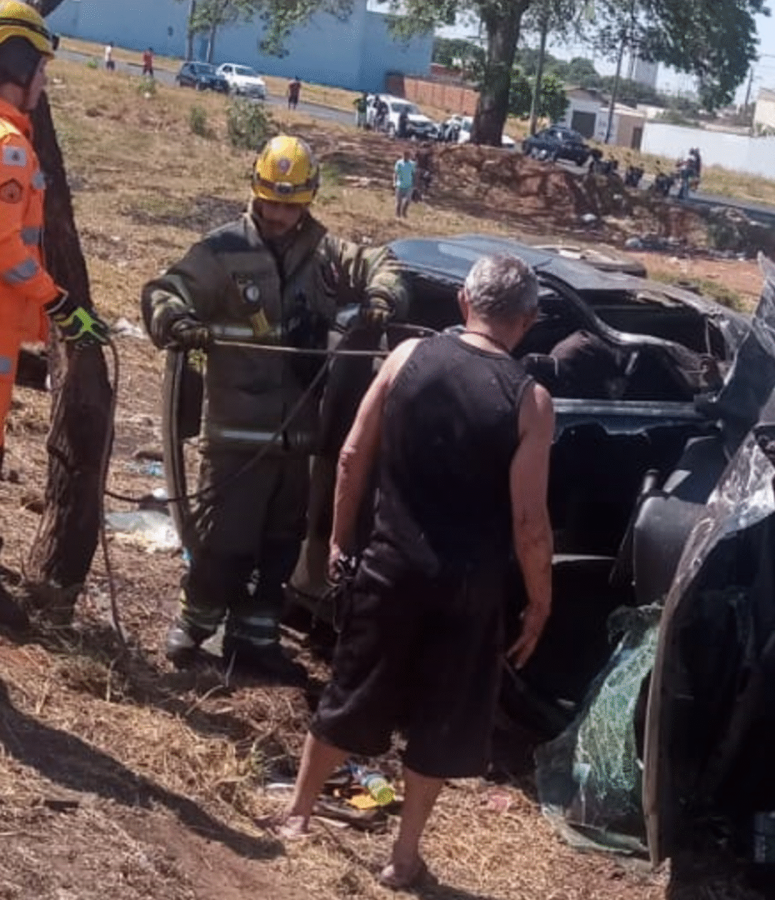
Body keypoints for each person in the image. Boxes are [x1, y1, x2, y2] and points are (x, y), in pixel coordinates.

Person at [266, 253, 554, 890]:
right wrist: (539, 600)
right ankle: (402, 858)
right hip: (469, 588)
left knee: (350, 688)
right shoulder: (531, 402)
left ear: (462, 304)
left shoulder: (403, 360)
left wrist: (342, 545)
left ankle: (297, 817)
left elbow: (348, 458)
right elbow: (530, 520)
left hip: (390, 567)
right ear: (527, 322)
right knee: (442, 718)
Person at [141, 135, 408, 684]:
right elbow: (164, 291)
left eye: (291, 204)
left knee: (279, 543)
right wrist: (176, 323)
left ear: (308, 199)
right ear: (255, 192)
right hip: (237, 435)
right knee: (223, 542)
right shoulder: (221, 251)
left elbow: (382, 263)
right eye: (270, 201)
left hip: (298, 441)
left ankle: (253, 641)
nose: (280, 214)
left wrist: (383, 297)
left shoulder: (325, 254)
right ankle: (192, 629)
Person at [0, 2, 109, 611]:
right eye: (40, 68)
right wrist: (61, 303)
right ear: (17, 67)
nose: (44, 82)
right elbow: (7, 249)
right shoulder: (11, 147)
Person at [393, 147, 415, 219]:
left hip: (409, 185)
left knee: (407, 201)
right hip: (400, 184)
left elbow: (414, 174)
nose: (407, 157)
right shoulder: (399, 163)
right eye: (405, 155)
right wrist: (394, 182)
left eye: (408, 155)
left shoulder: (412, 164)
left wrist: (415, 184)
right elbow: (396, 173)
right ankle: (397, 215)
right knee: (398, 202)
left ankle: (404, 213)